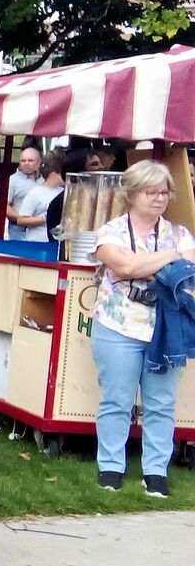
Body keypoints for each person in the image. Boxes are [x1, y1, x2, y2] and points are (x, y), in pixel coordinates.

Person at [90, 160, 195, 497]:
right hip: (117, 325)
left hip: (164, 328)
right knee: (117, 399)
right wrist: (169, 258)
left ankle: (156, 472)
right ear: (132, 194)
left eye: (164, 192)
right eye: (151, 192)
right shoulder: (111, 230)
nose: (159, 198)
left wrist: (146, 264)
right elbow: (123, 264)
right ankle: (110, 468)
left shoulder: (181, 233)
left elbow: (187, 270)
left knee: (161, 403)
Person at [5, 150, 65, 243]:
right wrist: (46, 218)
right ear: (53, 174)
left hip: (55, 241)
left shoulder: (62, 192)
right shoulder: (35, 193)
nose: (26, 163)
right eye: (23, 160)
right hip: (36, 240)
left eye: (30, 160)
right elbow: (21, 220)